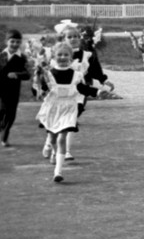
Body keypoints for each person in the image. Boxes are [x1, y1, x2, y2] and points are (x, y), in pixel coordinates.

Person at [41, 26, 114, 161]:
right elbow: (49, 75)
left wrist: (104, 81)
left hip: (78, 92)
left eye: (76, 36)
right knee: (57, 120)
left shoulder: (87, 55)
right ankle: (49, 142)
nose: (73, 39)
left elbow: (95, 70)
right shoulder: (58, 54)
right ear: (63, 39)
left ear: (80, 38)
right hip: (59, 95)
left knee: (71, 120)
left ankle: (66, 151)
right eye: (69, 37)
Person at [37, 42, 103, 182]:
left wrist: (97, 91)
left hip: (69, 109)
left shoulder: (76, 74)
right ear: (54, 56)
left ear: (71, 57)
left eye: (65, 54)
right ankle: (54, 151)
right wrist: (39, 88)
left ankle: (58, 172)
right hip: (53, 109)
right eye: (59, 55)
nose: (62, 57)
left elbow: (82, 89)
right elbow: (42, 89)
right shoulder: (49, 74)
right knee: (53, 138)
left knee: (62, 138)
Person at [0, 29, 30, 147]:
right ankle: (2, 126)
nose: (15, 44)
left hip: (14, 90)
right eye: (12, 41)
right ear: (7, 41)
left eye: (18, 42)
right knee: (2, 110)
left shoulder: (22, 58)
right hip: (1, 89)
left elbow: (27, 74)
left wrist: (17, 75)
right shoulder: (1, 56)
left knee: (11, 114)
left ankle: (5, 137)